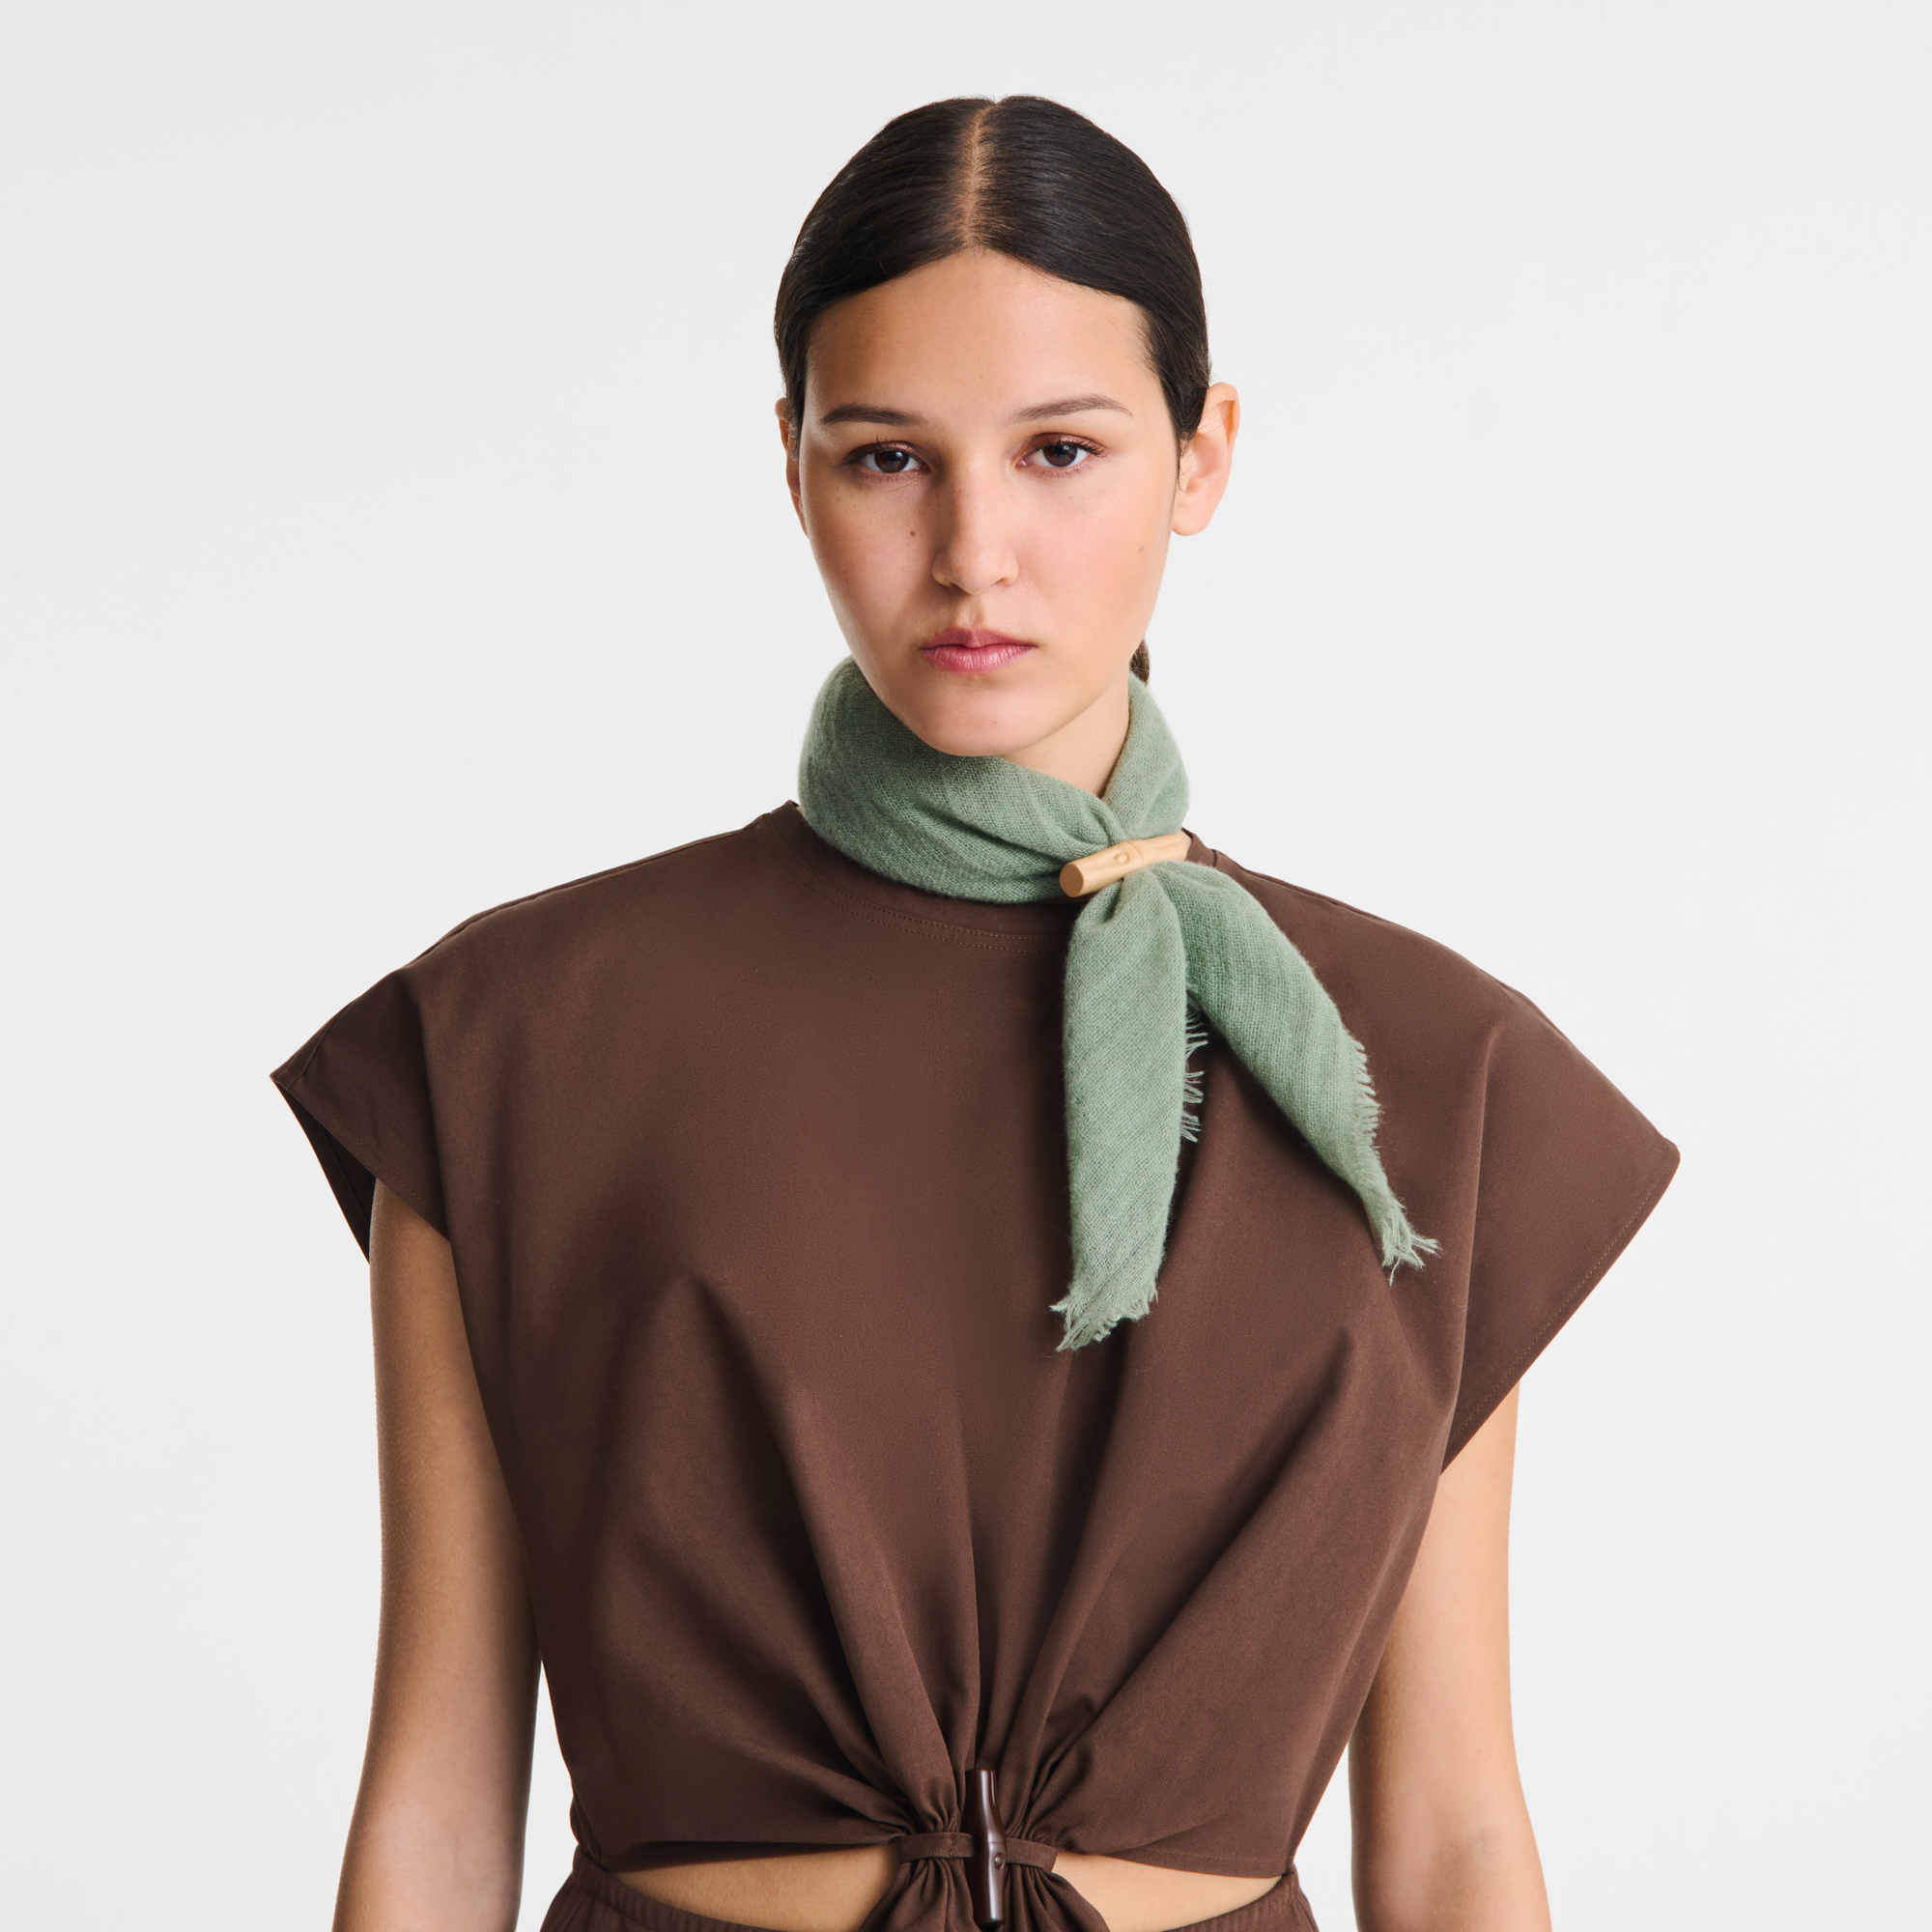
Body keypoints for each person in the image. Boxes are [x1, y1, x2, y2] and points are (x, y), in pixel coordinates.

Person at [274, 97, 1676, 1932]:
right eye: (887, 459)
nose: (972, 551)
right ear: (792, 467)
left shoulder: (1425, 1073)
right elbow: (436, 1805)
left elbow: (1454, 1835)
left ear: (1202, 455)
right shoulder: (512, 1045)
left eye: (1062, 451)